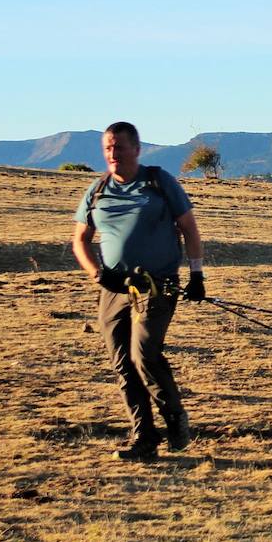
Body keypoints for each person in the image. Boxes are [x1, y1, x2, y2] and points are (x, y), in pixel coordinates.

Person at [70, 122, 206, 463]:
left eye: (118, 147)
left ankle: (175, 419)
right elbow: (80, 241)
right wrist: (98, 275)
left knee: (143, 354)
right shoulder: (98, 190)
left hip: (156, 284)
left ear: (137, 149)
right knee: (122, 363)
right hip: (114, 287)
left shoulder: (159, 182)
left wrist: (196, 274)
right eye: (107, 148)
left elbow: (188, 227)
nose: (112, 154)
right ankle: (144, 438)